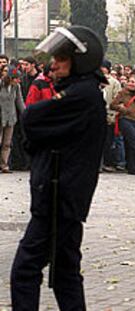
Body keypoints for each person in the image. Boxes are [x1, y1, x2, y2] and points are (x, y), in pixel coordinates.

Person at [10, 26, 107, 311]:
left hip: (58, 198)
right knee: (65, 272)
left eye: (62, 58)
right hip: (60, 197)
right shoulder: (80, 91)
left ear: (80, 60)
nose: (54, 63)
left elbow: (32, 118)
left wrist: (38, 135)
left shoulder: (81, 95)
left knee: (25, 269)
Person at [0, 66, 25, 173]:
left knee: (7, 143)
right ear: (10, 77)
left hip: (11, 118)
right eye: (17, 78)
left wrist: (26, 114)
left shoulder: (16, 87)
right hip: (0, 116)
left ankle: (4, 165)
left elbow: (20, 101)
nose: (18, 80)